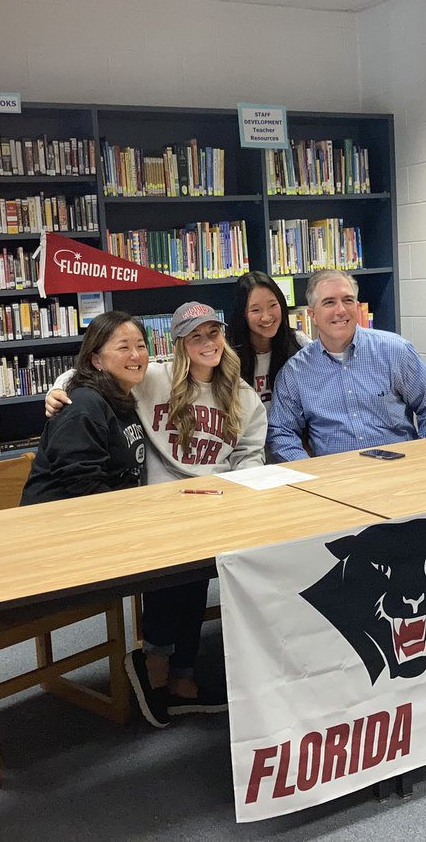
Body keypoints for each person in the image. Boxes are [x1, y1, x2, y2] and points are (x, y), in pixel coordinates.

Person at [44, 301, 267, 728]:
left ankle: (180, 672)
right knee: (173, 575)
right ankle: (157, 667)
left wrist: (241, 486)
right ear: (180, 344)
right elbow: (89, 375)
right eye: (196, 336)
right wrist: (56, 392)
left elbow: (249, 452)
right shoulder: (152, 378)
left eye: (213, 334)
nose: (208, 343)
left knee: (200, 575)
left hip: (214, 503)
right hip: (160, 506)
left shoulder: (242, 395)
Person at [267, 269, 426, 461]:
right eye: (329, 302)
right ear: (312, 314)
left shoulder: (394, 351)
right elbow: (281, 432)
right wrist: (310, 473)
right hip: (336, 478)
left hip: (400, 469)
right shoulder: (295, 372)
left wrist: (424, 455)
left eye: (347, 300)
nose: (341, 310)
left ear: (357, 306)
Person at [20, 311, 148, 505]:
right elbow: (82, 484)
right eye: (124, 347)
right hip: (60, 519)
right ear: (96, 360)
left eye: (141, 346)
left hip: (109, 510)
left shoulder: (123, 396)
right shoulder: (83, 404)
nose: (136, 355)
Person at [228, 271, 309, 409]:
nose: (266, 317)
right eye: (255, 310)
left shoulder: (300, 343)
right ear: (242, 314)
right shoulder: (228, 354)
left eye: (273, 305)